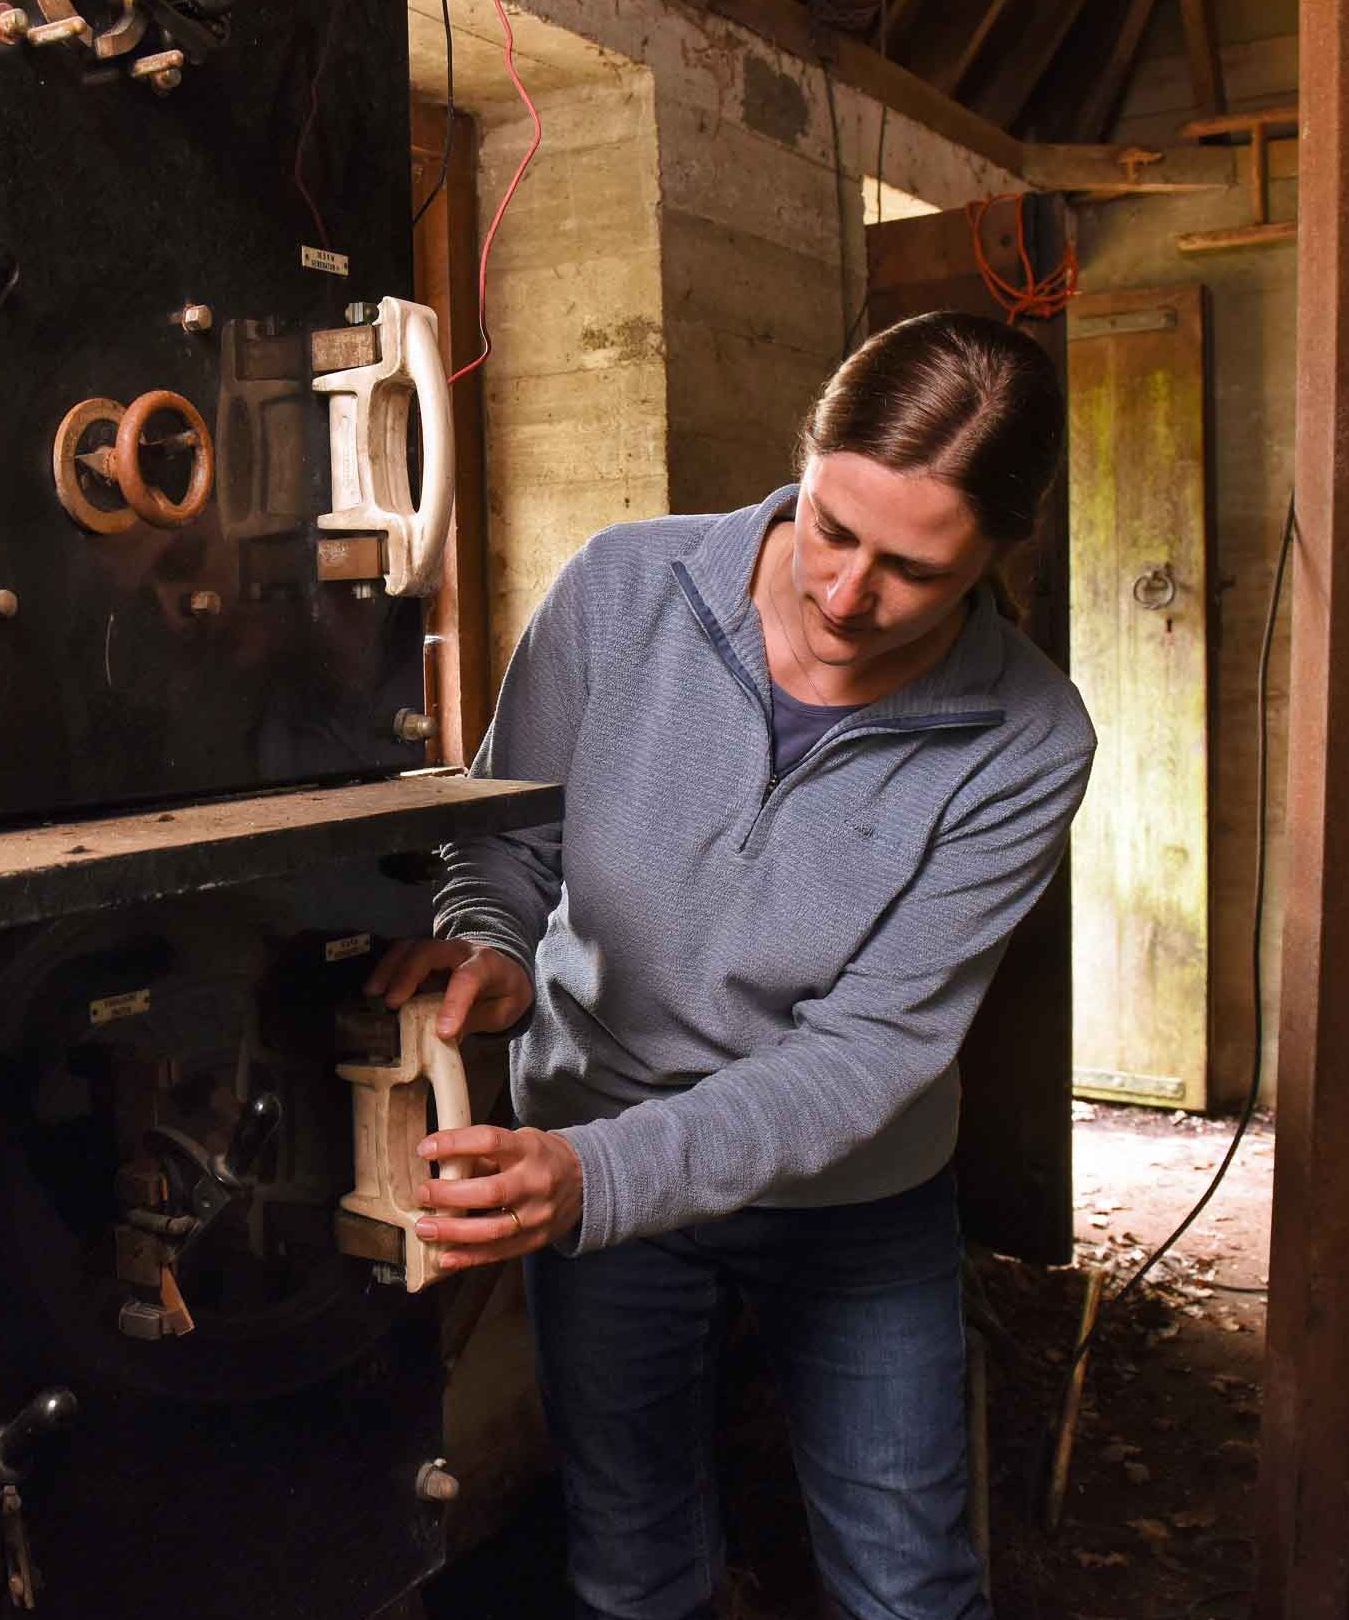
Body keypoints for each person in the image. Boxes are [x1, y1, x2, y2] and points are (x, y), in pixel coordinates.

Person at [366, 311, 1096, 1620]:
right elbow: (508, 839)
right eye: (831, 526)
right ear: (805, 465)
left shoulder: (1028, 741)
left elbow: (863, 1059)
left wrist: (596, 1177)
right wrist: (495, 947)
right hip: (595, 1150)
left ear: (999, 555)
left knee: (910, 1587)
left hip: (849, 1200)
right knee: (634, 1570)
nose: (843, 593)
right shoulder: (622, 591)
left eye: (914, 571)